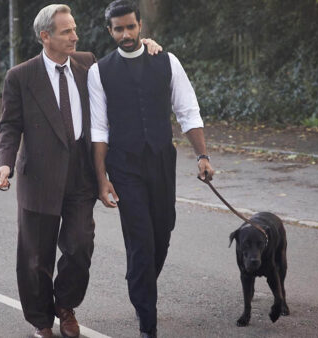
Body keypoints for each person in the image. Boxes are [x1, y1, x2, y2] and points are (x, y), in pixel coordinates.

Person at [0, 4, 161, 338]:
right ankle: (42, 320)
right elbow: (10, 127)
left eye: (74, 29)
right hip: (38, 178)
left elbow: (123, 71)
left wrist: (148, 48)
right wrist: (4, 164)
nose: (75, 36)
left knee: (80, 246)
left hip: (80, 175)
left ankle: (65, 306)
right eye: (67, 31)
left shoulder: (87, 63)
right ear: (46, 37)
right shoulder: (21, 77)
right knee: (35, 258)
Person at [88, 1, 215, 337]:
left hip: (161, 159)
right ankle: (148, 322)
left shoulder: (167, 61)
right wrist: (102, 179)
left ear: (140, 25)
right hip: (124, 164)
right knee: (142, 240)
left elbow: (188, 110)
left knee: (162, 232)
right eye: (119, 29)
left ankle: (138, 280)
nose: (126, 34)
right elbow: (99, 129)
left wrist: (202, 156)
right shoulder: (99, 71)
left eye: (131, 27)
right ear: (110, 31)